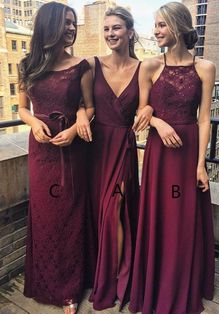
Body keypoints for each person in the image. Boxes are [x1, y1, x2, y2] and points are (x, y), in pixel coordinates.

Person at [129, 2, 215, 314]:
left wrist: (201, 165)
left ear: (178, 27)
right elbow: (141, 111)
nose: (155, 31)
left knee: (184, 217)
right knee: (160, 214)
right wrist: (157, 121)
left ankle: (181, 283)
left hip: (189, 149)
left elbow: (204, 118)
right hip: (159, 153)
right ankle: (156, 282)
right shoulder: (149, 66)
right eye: (155, 25)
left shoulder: (204, 68)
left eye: (162, 25)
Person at [18, 2, 94, 313]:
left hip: (71, 152)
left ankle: (70, 290)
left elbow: (89, 108)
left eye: (74, 23)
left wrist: (76, 129)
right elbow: (23, 108)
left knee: (70, 217)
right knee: (44, 215)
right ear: (50, 26)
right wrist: (34, 122)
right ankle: (46, 281)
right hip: (41, 153)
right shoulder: (27, 66)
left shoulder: (82, 66)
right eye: (66, 23)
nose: (72, 28)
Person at [76, 6, 152, 311]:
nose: (111, 34)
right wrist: (81, 114)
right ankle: (103, 274)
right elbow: (83, 104)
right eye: (107, 29)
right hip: (96, 149)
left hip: (123, 146)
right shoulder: (91, 66)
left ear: (130, 31)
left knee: (116, 207)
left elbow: (146, 107)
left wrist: (149, 113)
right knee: (100, 211)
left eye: (117, 28)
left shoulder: (144, 68)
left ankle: (118, 280)